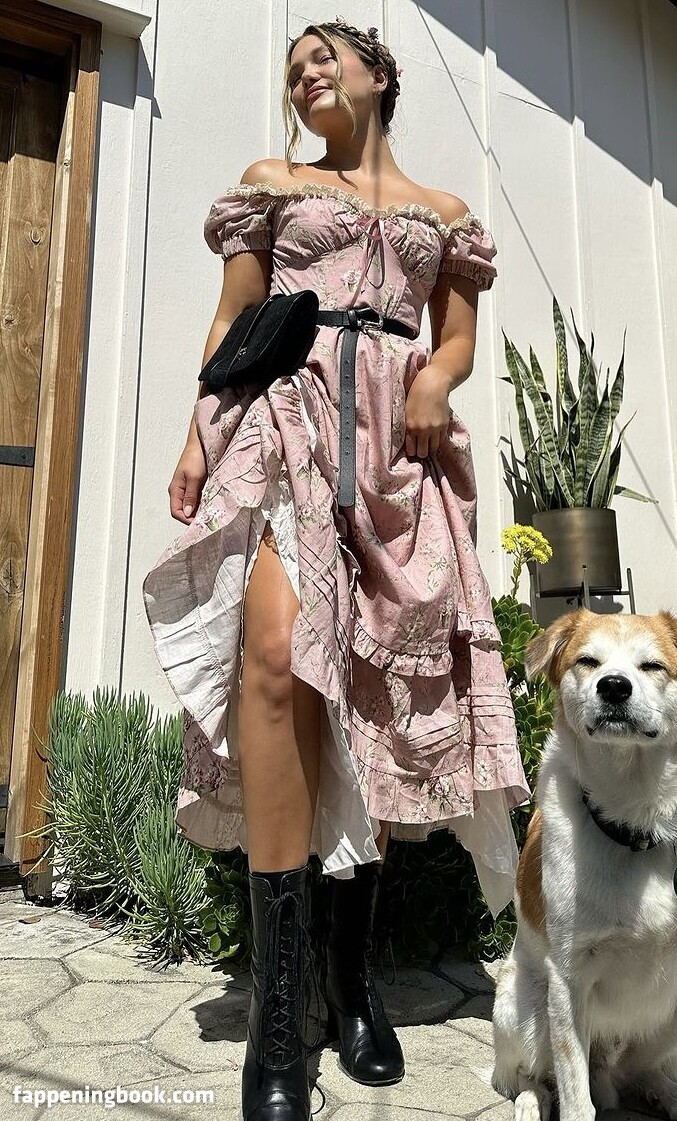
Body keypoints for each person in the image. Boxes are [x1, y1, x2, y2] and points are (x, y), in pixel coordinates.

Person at [142, 17, 530, 1121]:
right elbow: (233, 320)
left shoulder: (445, 214)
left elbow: (456, 337)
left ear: (376, 73)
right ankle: (279, 1012)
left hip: (401, 453)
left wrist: (435, 380)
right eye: (293, 66)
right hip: (290, 422)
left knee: (374, 695)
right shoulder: (273, 185)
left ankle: (350, 978)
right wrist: (197, 436)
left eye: (325, 55)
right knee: (274, 658)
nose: (307, 71)